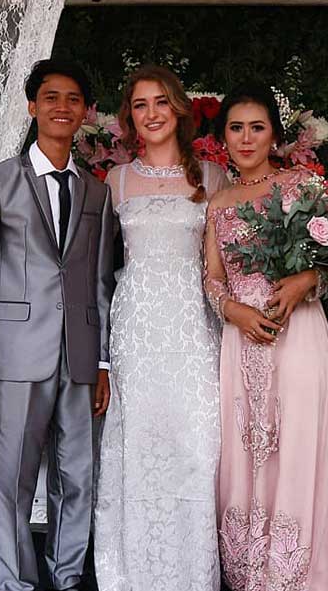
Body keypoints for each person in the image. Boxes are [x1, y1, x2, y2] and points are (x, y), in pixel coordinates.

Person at [0, 59, 115, 591]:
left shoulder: (97, 193)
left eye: (73, 99)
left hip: (80, 355)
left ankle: (67, 577)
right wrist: (3, 337)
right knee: (15, 478)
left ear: (85, 112)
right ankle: (17, 582)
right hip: (20, 353)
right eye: (51, 97)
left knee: (78, 475)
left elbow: (99, 281)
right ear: (32, 106)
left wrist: (101, 360)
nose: (62, 107)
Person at [203, 84, 328, 591]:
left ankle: (303, 577)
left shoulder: (301, 186)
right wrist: (232, 311)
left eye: (257, 127)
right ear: (223, 137)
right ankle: (253, 576)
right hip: (241, 340)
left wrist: (305, 281)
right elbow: (211, 279)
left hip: (298, 337)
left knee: (297, 447)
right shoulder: (218, 203)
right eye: (236, 128)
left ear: (274, 134)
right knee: (246, 450)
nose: (246, 138)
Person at [93, 65, 230, 591]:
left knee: (196, 446)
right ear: (129, 117)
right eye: (140, 105)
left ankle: (192, 577)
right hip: (136, 329)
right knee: (139, 444)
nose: (151, 113)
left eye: (160, 102)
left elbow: (226, 265)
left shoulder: (211, 179)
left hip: (194, 328)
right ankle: (132, 575)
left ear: (179, 109)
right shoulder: (116, 180)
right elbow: (99, 268)